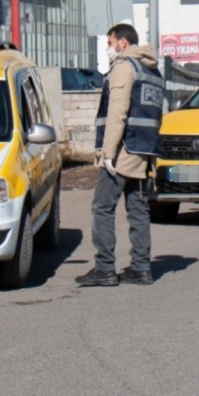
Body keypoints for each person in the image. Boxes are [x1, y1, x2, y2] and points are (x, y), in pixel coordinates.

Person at [76, 23, 164, 287]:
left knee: (102, 207)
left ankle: (104, 268)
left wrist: (108, 153)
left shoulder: (125, 66)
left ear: (122, 43)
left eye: (110, 42)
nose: (109, 47)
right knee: (138, 209)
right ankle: (141, 268)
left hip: (124, 149)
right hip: (144, 151)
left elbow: (118, 113)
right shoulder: (152, 70)